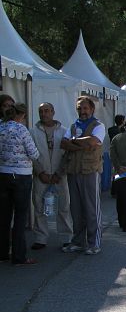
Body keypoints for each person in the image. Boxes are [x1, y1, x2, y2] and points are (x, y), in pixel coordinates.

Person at [60, 96, 106, 255]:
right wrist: (81, 143)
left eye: (85, 108)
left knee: (92, 209)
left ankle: (94, 243)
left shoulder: (98, 125)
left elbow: (93, 142)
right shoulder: (73, 126)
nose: (82, 111)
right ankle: (78, 241)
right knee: (76, 209)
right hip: (73, 171)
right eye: (80, 108)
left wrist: (74, 142)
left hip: (90, 171)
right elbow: (63, 143)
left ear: (92, 109)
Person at [0, 103, 39, 265]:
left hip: (3, 173)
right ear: (22, 115)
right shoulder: (22, 130)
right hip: (21, 175)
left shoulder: (1, 128)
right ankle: (19, 255)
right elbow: (34, 154)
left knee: (3, 215)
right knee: (20, 216)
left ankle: (2, 253)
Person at [30, 103, 72, 250]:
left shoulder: (64, 131)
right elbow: (31, 154)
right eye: (40, 111)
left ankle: (66, 236)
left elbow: (68, 154)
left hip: (59, 175)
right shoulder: (33, 132)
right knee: (39, 206)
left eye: (46, 111)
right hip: (41, 175)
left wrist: (59, 173)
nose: (44, 114)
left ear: (53, 112)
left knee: (64, 206)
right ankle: (41, 238)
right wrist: (40, 172)